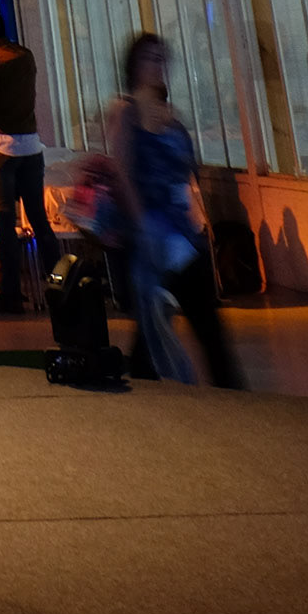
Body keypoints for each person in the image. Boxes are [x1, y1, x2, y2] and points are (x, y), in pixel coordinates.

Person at [105, 33, 244, 388]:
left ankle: (151, 383)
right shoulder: (126, 113)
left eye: (161, 59)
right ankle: (230, 390)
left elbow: (184, 174)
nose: (158, 66)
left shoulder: (171, 118)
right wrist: (142, 226)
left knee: (159, 327)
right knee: (191, 322)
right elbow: (123, 173)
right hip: (154, 232)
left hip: (178, 230)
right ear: (134, 66)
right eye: (150, 58)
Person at [0, 5, 59, 315]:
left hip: (1, 147)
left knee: (5, 222)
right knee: (40, 222)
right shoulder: (25, 55)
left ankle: (10, 295)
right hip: (31, 146)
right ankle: (58, 286)